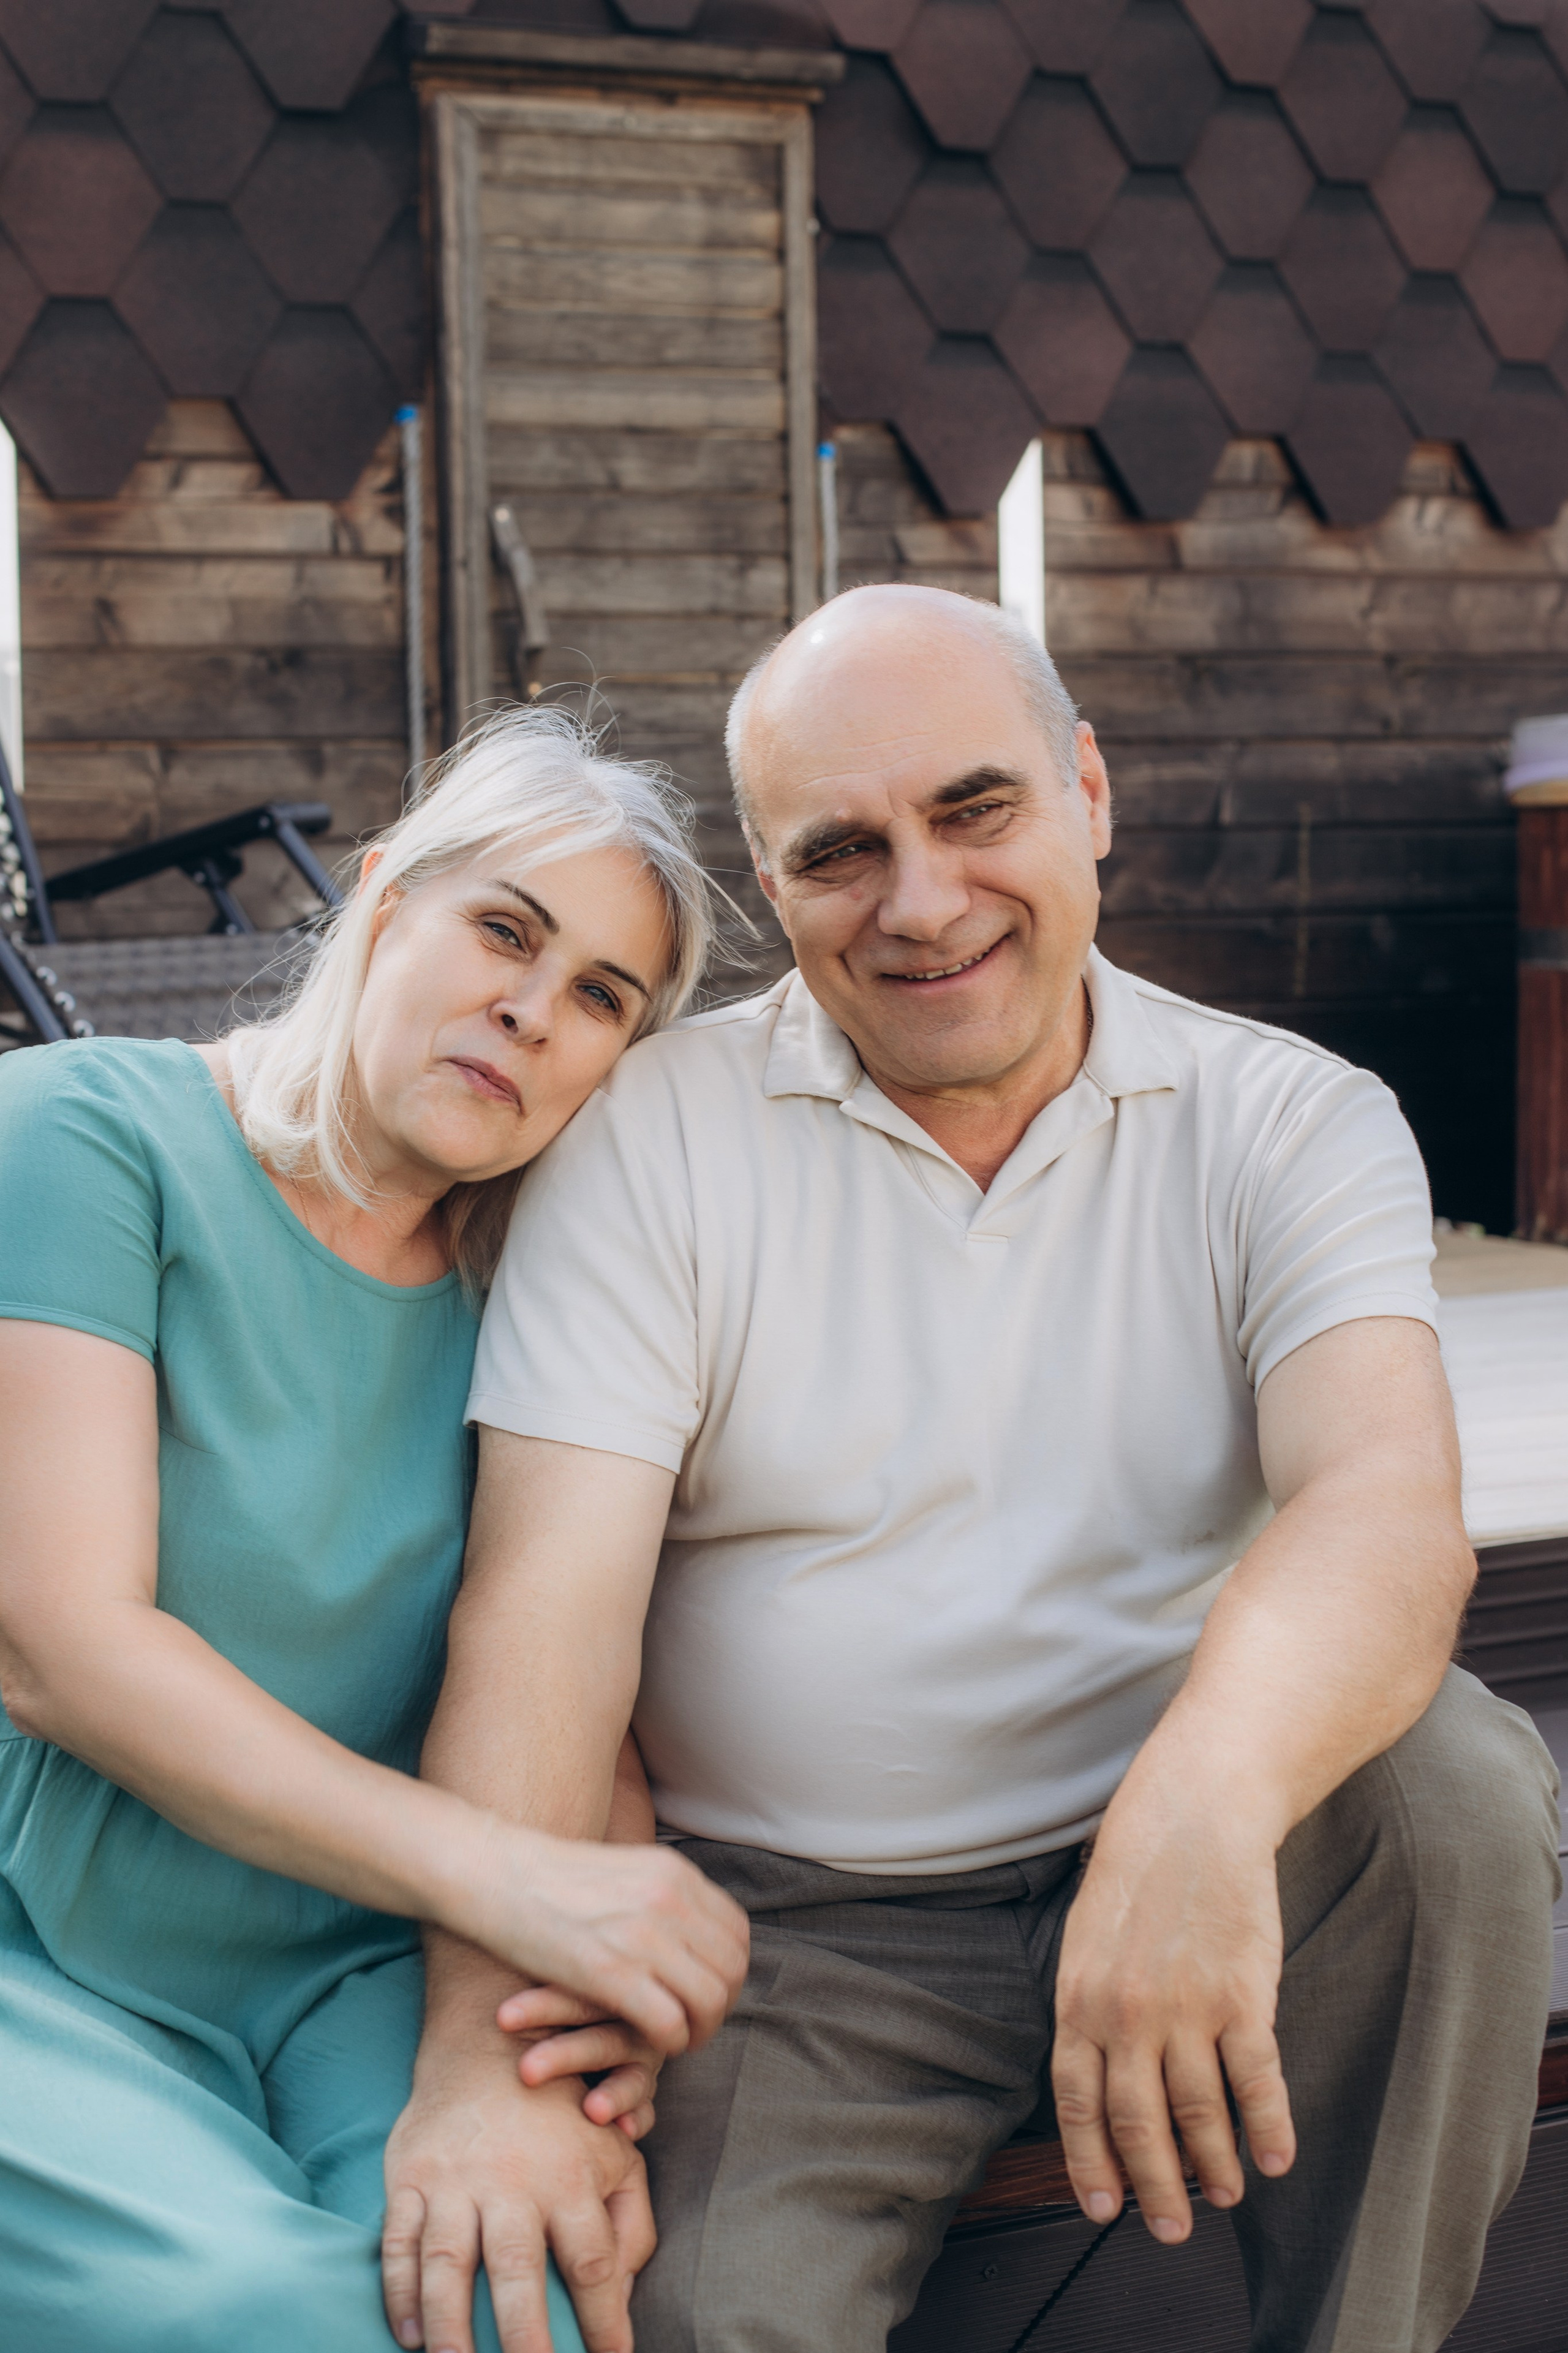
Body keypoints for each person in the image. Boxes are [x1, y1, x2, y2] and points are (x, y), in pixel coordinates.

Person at [386, 588, 1562, 2353]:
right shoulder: (652, 1141)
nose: (922, 901)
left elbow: (1381, 1511)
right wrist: (490, 2050)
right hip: (793, 1932)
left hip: (1188, 1823)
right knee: (678, 2318)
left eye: (975, 808)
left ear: (1088, 787)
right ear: (772, 888)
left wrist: (1201, 1809)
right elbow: (545, 1621)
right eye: (840, 849)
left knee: (1455, 1793)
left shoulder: (1288, 1116)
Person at [0, 709, 751, 2353]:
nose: (532, 1011)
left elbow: (572, 1655)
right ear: (385, 894)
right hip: (43, 1937)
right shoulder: (83, 1136)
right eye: (507, 929)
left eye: (599, 999)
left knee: (519, 2300)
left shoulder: (544, 1297)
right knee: (262, 2311)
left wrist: (584, 1990)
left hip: (346, 1960)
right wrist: (522, 1882)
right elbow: (63, 1644)